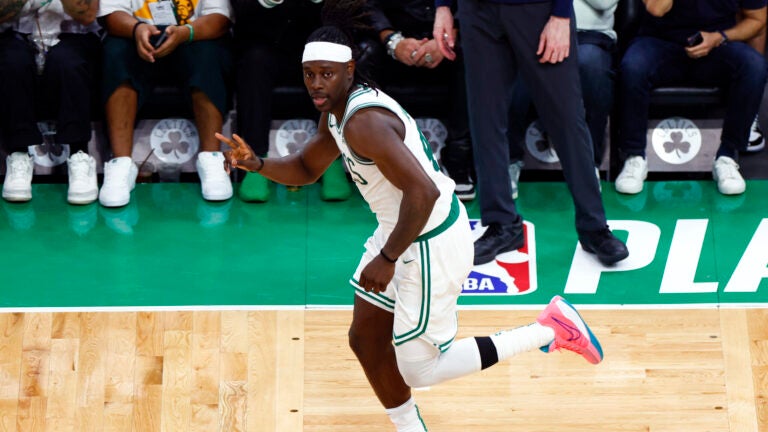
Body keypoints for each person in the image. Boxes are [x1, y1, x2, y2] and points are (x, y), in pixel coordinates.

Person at [218, 1, 605, 431]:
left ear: (350, 70)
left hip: (426, 240)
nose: (316, 84)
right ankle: (409, 426)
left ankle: (549, 329)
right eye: (310, 75)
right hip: (400, 231)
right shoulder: (337, 111)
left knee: (421, 369)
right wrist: (256, 163)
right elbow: (307, 168)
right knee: (365, 339)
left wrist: (386, 258)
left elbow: (421, 192)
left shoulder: (365, 123)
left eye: (326, 74)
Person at [433, 0, 629, 266]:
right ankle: (501, 223)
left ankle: (594, 227)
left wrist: (560, 13)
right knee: (485, 121)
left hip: (538, 9)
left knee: (566, 119)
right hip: (476, 11)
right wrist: (443, 6)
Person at [614, 0, 767, 196]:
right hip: (660, 41)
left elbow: (757, 19)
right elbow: (656, 8)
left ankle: (728, 157)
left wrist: (720, 37)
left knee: (754, 66)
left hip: (716, 44)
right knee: (632, 67)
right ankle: (634, 157)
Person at [97, 0, 233, 207]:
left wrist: (186, 33)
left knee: (209, 53)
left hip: (192, 34)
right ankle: (121, 163)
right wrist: (136, 29)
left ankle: (212, 159)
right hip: (138, 36)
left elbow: (220, 17)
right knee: (116, 50)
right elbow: (111, 12)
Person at [507, 0, 619, 198]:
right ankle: (509, 161)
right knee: (515, 76)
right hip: (535, 33)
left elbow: (604, 3)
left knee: (592, 67)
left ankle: (587, 164)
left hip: (590, 36)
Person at [366, 0, 475, 201]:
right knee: (363, 52)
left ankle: (458, 157)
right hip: (394, 35)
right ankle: (379, 159)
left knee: (476, 51)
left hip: (454, 34)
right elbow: (368, 5)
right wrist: (393, 40)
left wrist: (447, 38)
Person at [0, 0, 101, 204]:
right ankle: (19, 155)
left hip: (74, 35)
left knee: (69, 63)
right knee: (12, 62)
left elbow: (88, 15)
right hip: (17, 36)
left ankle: (79, 155)